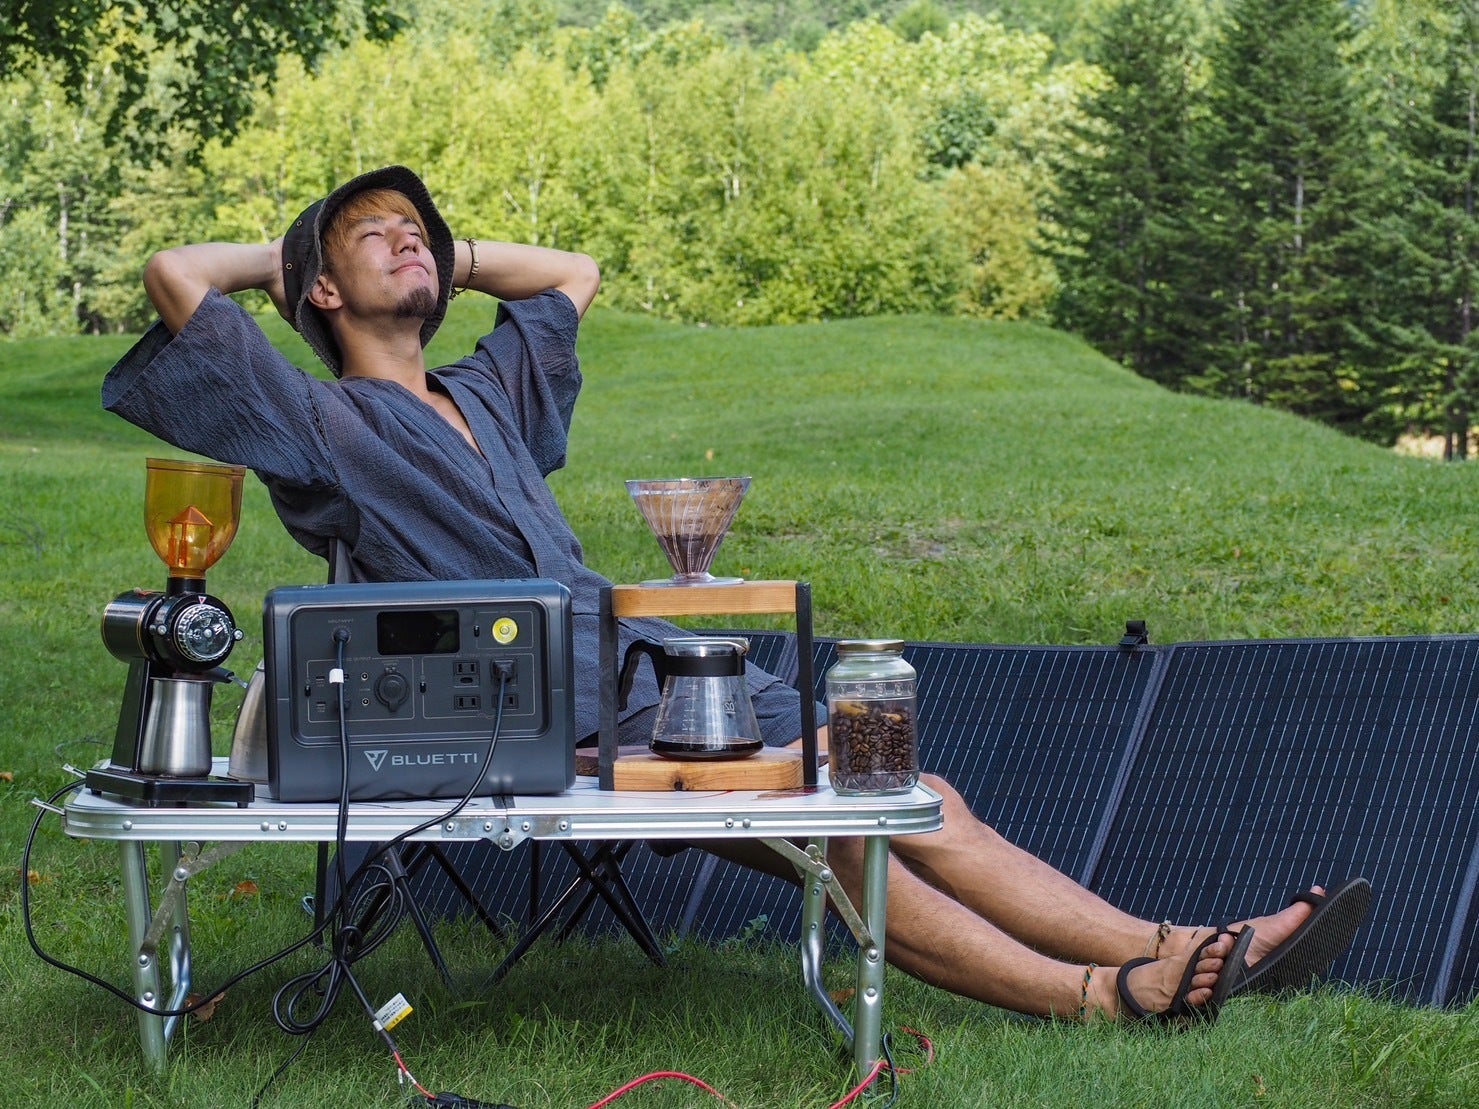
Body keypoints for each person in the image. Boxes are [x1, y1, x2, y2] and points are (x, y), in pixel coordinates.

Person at [102, 165, 1370, 1024]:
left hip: (662, 671)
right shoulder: (319, 422)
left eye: (418, 228)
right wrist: (288, 260)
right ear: (321, 290)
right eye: (374, 234)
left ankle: (1163, 950)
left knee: (899, 794)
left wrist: (448, 249)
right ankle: (1117, 987)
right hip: (543, 723)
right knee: (857, 816)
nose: (411, 239)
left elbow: (574, 272)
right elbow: (174, 271)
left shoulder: (490, 389)